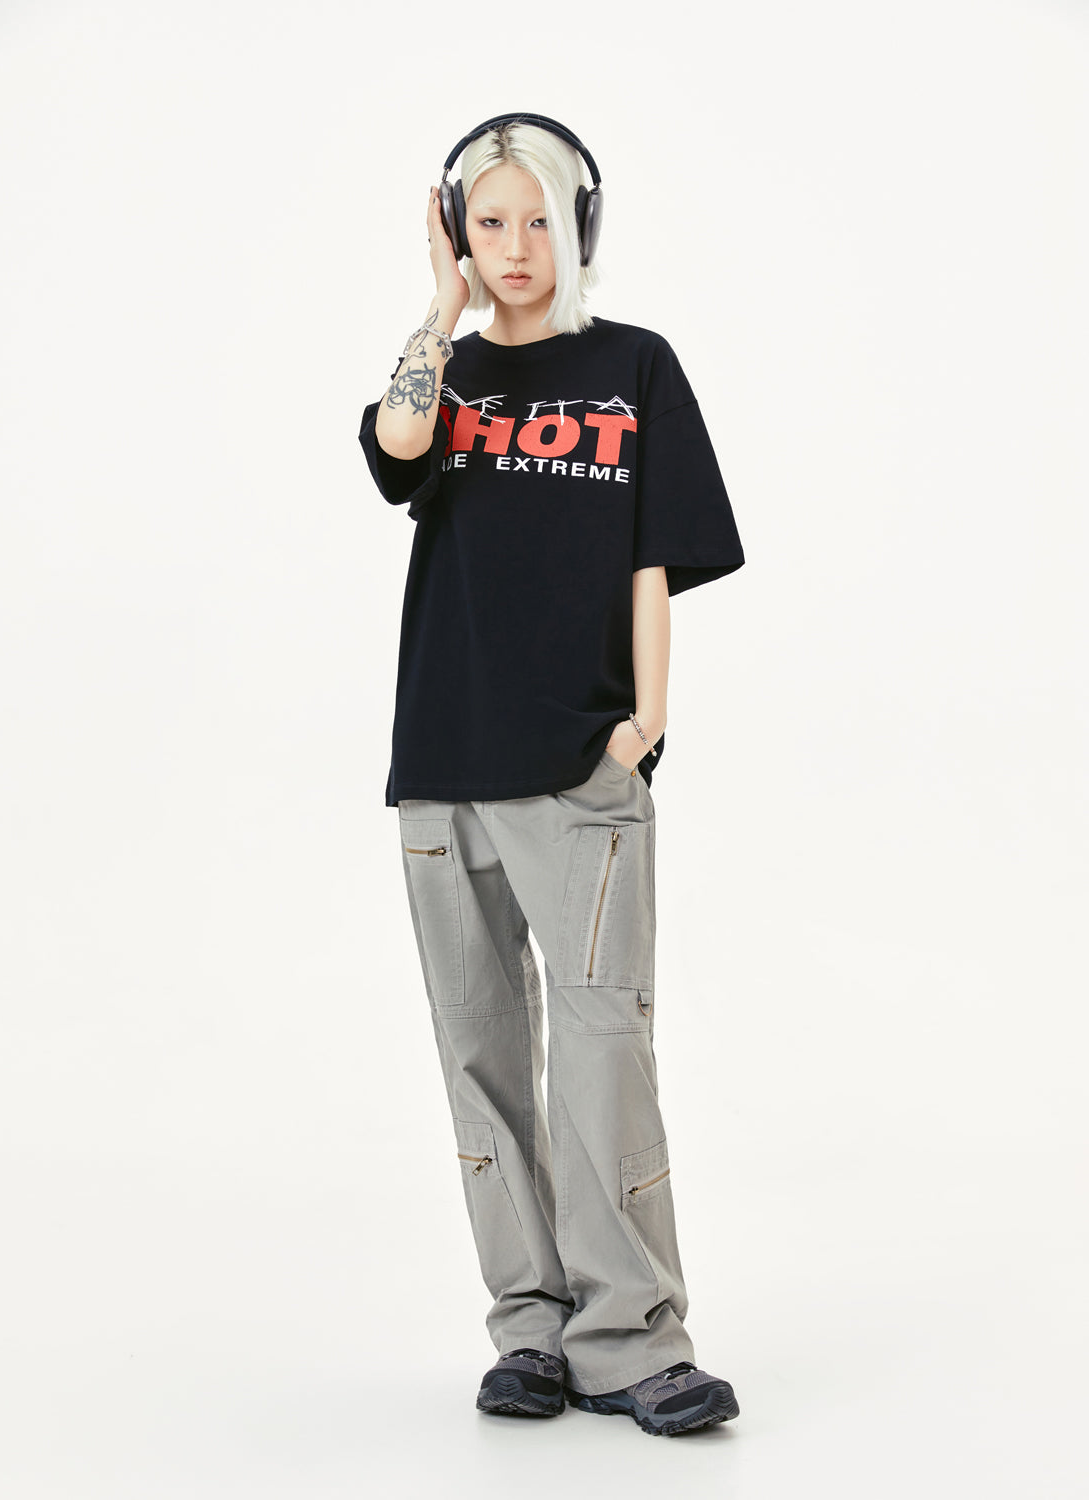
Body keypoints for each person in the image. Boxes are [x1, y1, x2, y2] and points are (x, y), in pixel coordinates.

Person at [358, 113, 746, 1438]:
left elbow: (654, 557)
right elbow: (397, 450)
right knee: (477, 1058)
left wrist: (644, 722)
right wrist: (439, 305)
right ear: (457, 233)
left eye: (538, 221)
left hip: (579, 767)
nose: (515, 247)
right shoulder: (445, 374)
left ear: (578, 228)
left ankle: (632, 1341)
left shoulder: (633, 366)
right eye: (488, 223)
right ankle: (528, 1331)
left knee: (599, 1054)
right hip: (442, 764)